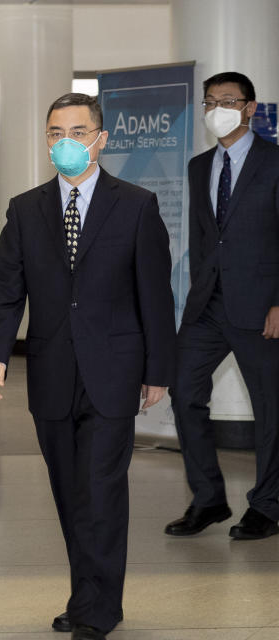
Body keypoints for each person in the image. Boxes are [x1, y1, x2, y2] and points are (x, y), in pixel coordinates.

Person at [0, 93, 176, 640]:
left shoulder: (136, 205)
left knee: (101, 490)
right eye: (54, 133)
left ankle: (99, 609)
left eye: (77, 131)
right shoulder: (26, 208)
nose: (65, 142)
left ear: (101, 138)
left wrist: (158, 369)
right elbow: (4, 289)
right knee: (70, 493)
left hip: (114, 370)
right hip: (51, 371)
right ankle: (86, 594)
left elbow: (155, 295)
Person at [165, 72, 279, 541]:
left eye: (228, 101)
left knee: (270, 408)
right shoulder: (197, 166)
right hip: (208, 305)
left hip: (262, 307)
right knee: (184, 392)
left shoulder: (274, 161)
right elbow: (204, 237)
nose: (217, 109)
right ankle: (208, 498)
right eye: (210, 102)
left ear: (251, 108)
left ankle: (268, 506)